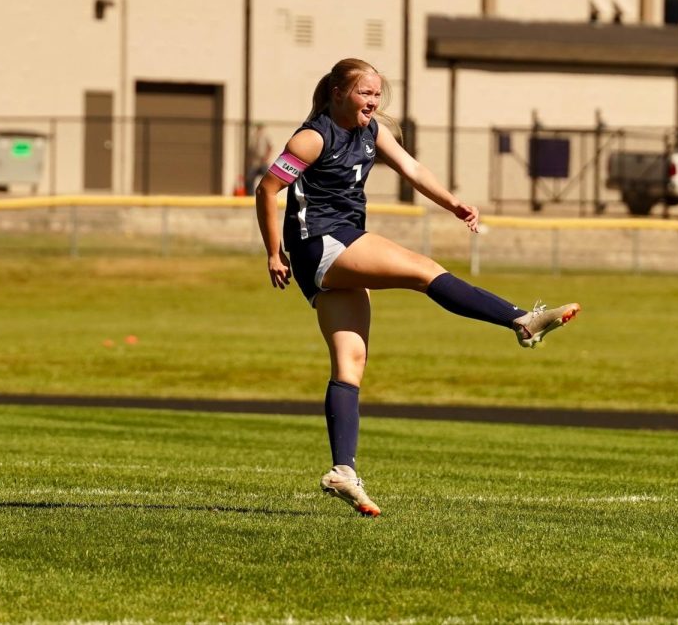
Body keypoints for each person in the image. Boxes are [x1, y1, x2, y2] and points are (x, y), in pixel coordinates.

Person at [254, 58, 580, 517]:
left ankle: (342, 471)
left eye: (377, 94)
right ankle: (521, 320)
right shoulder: (312, 136)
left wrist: (453, 204)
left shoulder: (372, 132)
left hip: (340, 245)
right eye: (365, 93)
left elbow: (412, 168)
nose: (374, 101)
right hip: (322, 244)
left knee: (351, 364)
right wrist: (273, 250)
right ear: (338, 92)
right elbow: (268, 189)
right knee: (423, 270)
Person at [245, 123, 273, 195]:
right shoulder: (253, 137)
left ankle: (267, 194)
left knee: (267, 180)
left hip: (263, 161)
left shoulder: (265, 136)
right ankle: (250, 195)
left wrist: (266, 157)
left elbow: (270, 147)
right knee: (250, 179)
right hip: (254, 162)